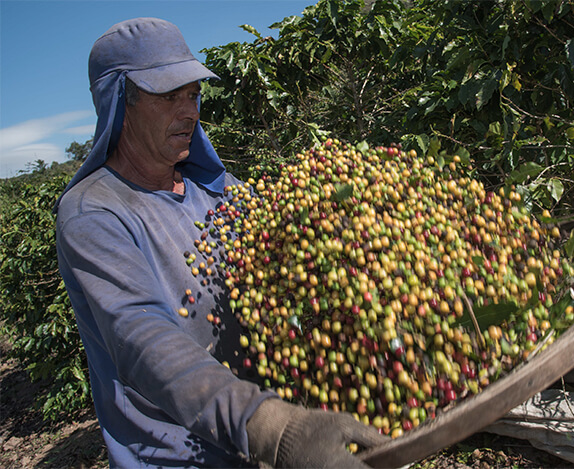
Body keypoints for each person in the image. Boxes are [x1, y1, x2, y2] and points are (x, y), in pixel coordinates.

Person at [55, 17, 387, 468]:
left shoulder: (221, 191)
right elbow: (141, 338)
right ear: (120, 104)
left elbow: (289, 266)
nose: (189, 110)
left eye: (193, 94)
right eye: (168, 96)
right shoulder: (96, 213)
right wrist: (271, 426)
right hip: (181, 455)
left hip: (264, 441)